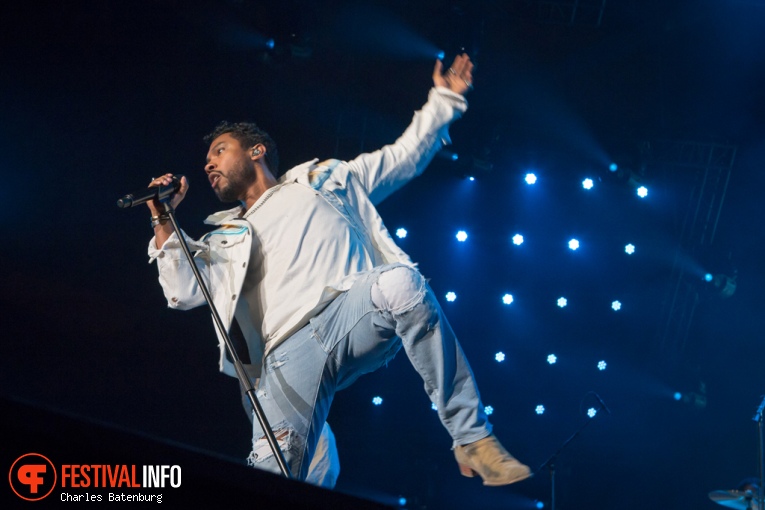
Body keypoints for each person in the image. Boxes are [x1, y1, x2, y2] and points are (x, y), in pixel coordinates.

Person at [145, 54, 530, 488]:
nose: (208, 165)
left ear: (257, 151)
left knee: (401, 281)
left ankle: (470, 437)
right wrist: (162, 215)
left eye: (219, 151)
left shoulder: (325, 180)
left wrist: (444, 100)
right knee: (293, 472)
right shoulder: (224, 237)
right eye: (207, 160)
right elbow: (179, 291)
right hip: (284, 357)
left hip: (349, 311)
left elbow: (404, 156)